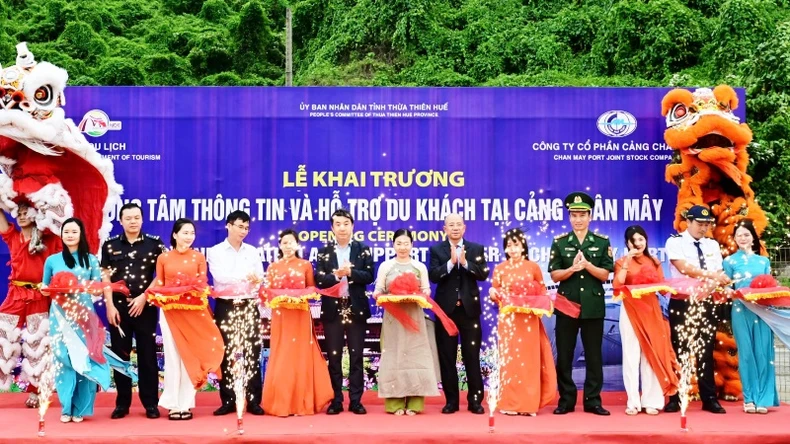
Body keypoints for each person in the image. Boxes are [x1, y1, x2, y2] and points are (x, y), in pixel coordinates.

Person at [150, 218, 224, 421]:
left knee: (189, 357)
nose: (189, 236)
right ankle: (173, 404)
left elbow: (202, 284)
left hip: (193, 312)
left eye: (192, 233)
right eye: (185, 232)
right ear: (175, 235)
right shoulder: (163, 258)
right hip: (170, 312)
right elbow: (161, 284)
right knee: (173, 357)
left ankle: (186, 404)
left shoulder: (199, 257)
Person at [548, 192, 613, 416]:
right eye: (574, 215)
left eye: (582, 214)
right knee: (565, 355)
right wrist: (572, 269)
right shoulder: (560, 243)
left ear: (590, 216)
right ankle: (566, 400)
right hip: (566, 306)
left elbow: (605, 275)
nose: (578, 219)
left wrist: (587, 266)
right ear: (569, 217)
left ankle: (593, 400)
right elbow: (555, 275)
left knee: (594, 355)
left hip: (593, 307)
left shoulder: (602, 242)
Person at [101, 203, 166, 419]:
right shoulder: (110, 246)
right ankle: (122, 404)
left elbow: (161, 274)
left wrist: (145, 296)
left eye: (136, 217)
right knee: (121, 357)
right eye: (128, 218)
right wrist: (109, 305)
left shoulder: (154, 244)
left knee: (148, 356)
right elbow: (105, 277)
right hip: (119, 307)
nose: (133, 221)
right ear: (121, 221)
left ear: (142, 219)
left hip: (145, 307)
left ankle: (150, 404)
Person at [43, 218, 111, 423]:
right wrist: (46, 288)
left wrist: (89, 288)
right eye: (66, 232)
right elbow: (45, 286)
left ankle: (80, 408)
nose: (70, 235)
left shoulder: (90, 259)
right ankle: (66, 407)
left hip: (84, 316)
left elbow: (98, 286)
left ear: (81, 234)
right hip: (60, 317)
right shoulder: (52, 260)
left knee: (84, 359)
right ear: (62, 235)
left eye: (74, 231)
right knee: (63, 359)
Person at [664, 205, 729, 414]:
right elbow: (684, 268)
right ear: (688, 222)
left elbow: (719, 272)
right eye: (700, 224)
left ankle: (709, 398)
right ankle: (675, 396)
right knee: (679, 349)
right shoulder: (675, 242)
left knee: (706, 350)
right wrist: (710, 277)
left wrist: (709, 286)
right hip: (682, 302)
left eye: (706, 224)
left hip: (706, 301)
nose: (703, 228)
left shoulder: (712, 245)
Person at [262, 229, 333, 416]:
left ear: (297, 245)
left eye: (291, 242)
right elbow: (267, 293)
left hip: (301, 315)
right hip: (281, 316)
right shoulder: (273, 267)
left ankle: (303, 403)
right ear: (279, 245)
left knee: (301, 355)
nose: (288, 246)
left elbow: (311, 288)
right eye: (284, 243)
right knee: (283, 355)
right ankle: (282, 404)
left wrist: (300, 295)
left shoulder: (305, 265)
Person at [488, 228, 556, 416]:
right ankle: (509, 403)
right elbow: (495, 290)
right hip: (509, 321)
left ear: (523, 245)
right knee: (511, 362)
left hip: (529, 321)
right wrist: (493, 294)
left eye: (516, 244)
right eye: (509, 245)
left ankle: (528, 405)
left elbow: (542, 292)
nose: (513, 249)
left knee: (529, 361)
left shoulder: (532, 267)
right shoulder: (500, 268)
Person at [612, 225, 678, 416]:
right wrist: (628, 260)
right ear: (628, 243)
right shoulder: (621, 261)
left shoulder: (653, 261)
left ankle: (652, 401)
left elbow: (663, 288)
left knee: (651, 355)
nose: (639, 243)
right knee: (631, 356)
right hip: (630, 310)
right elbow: (618, 284)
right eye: (635, 240)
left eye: (642, 239)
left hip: (651, 311)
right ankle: (633, 401)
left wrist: (658, 267)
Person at [429, 213, 490, 414]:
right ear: (444, 229)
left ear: (464, 228)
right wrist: (450, 263)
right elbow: (434, 276)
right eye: (450, 225)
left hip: (469, 312)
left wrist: (464, 263)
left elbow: (482, 274)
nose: (455, 228)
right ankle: (451, 402)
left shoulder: (476, 249)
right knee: (447, 358)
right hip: (446, 312)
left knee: (471, 356)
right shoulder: (437, 250)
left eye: (458, 225)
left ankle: (475, 401)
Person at [0, 204, 60, 407]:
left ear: (36, 215)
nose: (23, 216)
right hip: (15, 294)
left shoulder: (50, 239)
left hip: (39, 295)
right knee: (2, 337)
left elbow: (61, 222)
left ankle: (37, 392)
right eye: (20, 213)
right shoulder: (13, 236)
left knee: (38, 344)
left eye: (27, 213)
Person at [316, 209, 374, 415]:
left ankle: (356, 401)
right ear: (332, 228)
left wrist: (350, 273)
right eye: (338, 224)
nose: (342, 227)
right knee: (335, 356)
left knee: (356, 356)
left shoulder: (363, 249)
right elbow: (319, 280)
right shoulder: (323, 252)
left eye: (346, 223)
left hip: (355, 308)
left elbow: (369, 275)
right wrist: (335, 276)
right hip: (333, 309)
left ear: (352, 226)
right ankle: (336, 400)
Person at [207, 210, 265, 416]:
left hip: (249, 305)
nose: (243, 231)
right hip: (226, 305)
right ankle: (228, 399)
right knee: (227, 354)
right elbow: (221, 278)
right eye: (240, 226)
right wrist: (245, 279)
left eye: (247, 228)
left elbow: (259, 277)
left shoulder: (253, 251)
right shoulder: (215, 251)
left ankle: (254, 400)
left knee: (252, 352)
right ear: (229, 225)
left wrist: (248, 280)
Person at [375, 229, 439, 415]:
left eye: (406, 243)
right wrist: (380, 296)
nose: (402, 247)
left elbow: (426, 291)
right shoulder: (386, 266)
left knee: (415, 357)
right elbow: (378, 291)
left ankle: (415, 404)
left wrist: (418, 295)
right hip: (393, 319)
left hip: (415, 318)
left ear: (412, 245)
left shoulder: (419, 267)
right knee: (394, 357)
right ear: (393, 245)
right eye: (399, 243)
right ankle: (394, 405)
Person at [723, 219, 779, 414]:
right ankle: (749, 399)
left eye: (746, 234)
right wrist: (730, 292)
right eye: (739, 235)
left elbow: (770, 285)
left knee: (763, 353)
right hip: (740, 310)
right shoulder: (729, 261)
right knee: (746, 354)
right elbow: (728, 287)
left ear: (753, 237)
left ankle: (763, 398)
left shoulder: (764, 261)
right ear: (735, 239)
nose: (743, 238)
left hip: (762, 310)